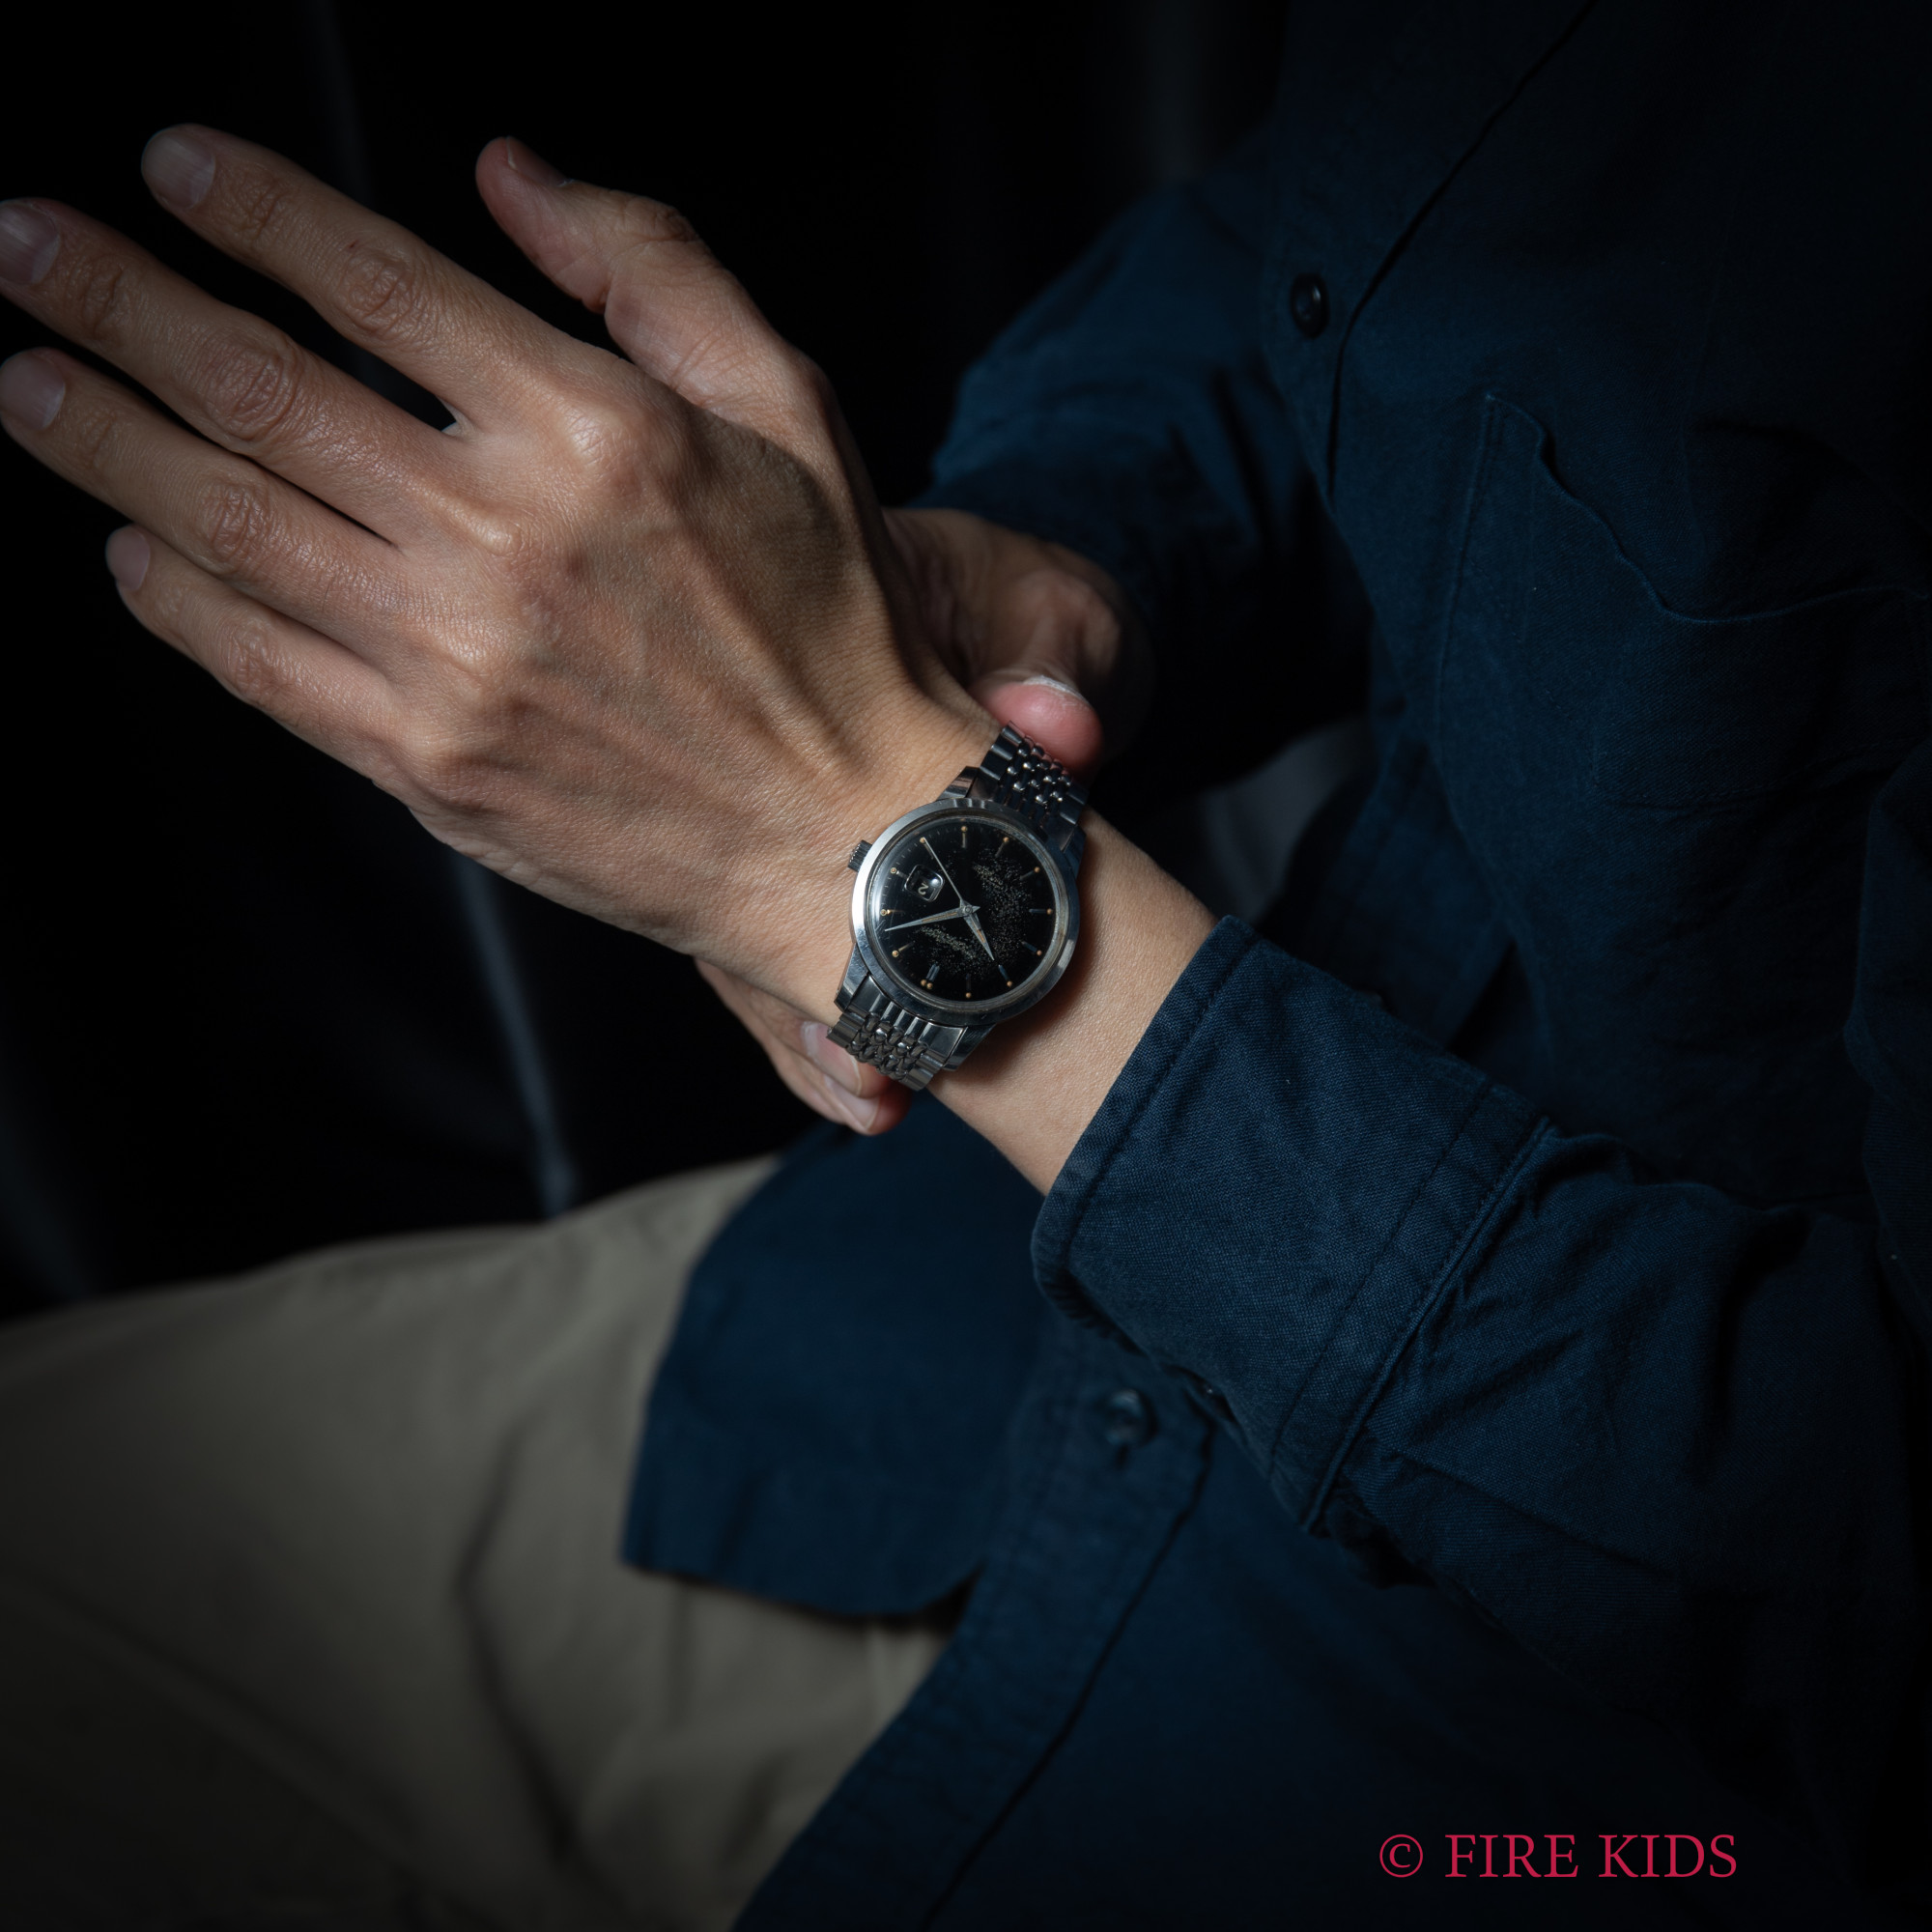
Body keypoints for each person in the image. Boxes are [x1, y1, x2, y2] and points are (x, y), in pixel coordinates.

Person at [0, 3, 1928, 1926]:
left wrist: (827, 830)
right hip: (929, 1348)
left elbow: (1862, 1550)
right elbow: (1394, 269)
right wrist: (1037, 565)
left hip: (1505, 1785)